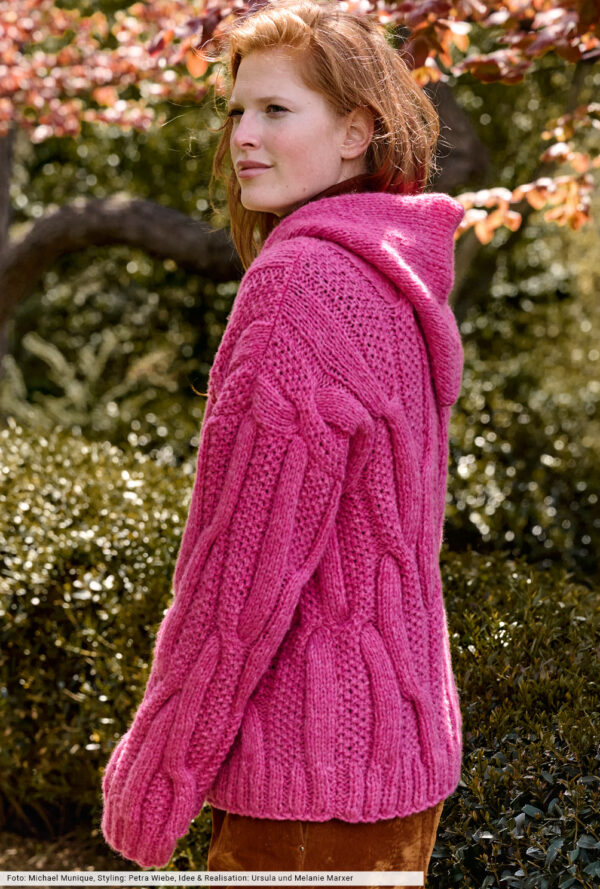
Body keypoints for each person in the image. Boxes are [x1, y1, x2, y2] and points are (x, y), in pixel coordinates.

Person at [101, 1, 466, 886]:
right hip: (399, 761)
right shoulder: (391, 274)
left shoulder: (303, 282)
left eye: (276, 110)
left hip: (304, 784)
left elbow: (244, 578)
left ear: (356, 132)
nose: (243, 136)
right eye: (237, 111)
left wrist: (152, 784)